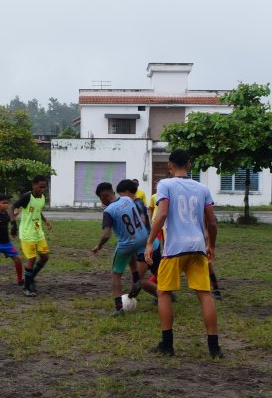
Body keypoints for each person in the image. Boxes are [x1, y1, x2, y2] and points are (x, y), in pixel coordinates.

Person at [144, 149, 222, 359]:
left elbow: (161, 214)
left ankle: (167, 344)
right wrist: (211, 245)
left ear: (170, 166)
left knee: (163, 293)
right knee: (204, 295)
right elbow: (212, 223)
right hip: (197, 247)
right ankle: (214, 348)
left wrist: (150, 242)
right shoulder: (202, 188)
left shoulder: (165, 185)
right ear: (189, 165)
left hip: (174, 248)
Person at [91, 180, 157, 316]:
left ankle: (118, 308)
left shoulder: (108, 211)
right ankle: (136, 279)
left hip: (127, 244)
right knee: (131, 256)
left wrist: (99, 245)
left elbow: (106, 234)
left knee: (116, 275)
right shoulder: (127, 199)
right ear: (113, 192)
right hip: (143, 239)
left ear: (102, 197)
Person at [11, 174, 52, 297]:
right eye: (40, 187)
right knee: (32, 258)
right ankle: (27, 287)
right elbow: (11, 207)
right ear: (33, 185)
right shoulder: (27, 197)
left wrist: (45, 221)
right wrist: (13, 224)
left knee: (45, 257)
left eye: (44, 187)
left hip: (38, 232)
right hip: (27, 233)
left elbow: (38, 211)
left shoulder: (42, 197)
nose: (42, 189)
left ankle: (31, 277)